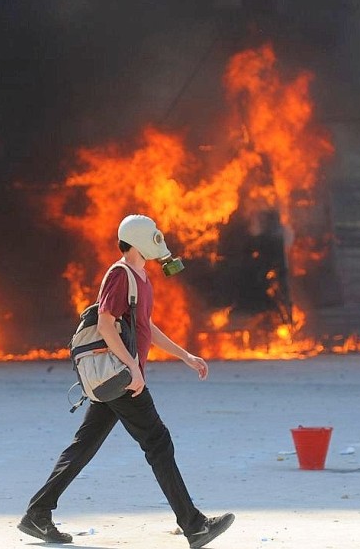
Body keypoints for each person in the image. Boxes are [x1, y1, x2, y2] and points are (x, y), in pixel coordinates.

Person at [18, 214, 234, 548]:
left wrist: (185, 356)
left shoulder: (141, 277)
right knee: (158, 442)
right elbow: (105, 324)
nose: (159, 242)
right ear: (136, 240)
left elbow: (148, 327)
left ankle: (38, 513)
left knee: (83, 446)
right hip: (122, 378)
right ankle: (194, 525)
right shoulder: (120, 275)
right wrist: (133, 367)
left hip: (120, 378)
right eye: (153, 236)